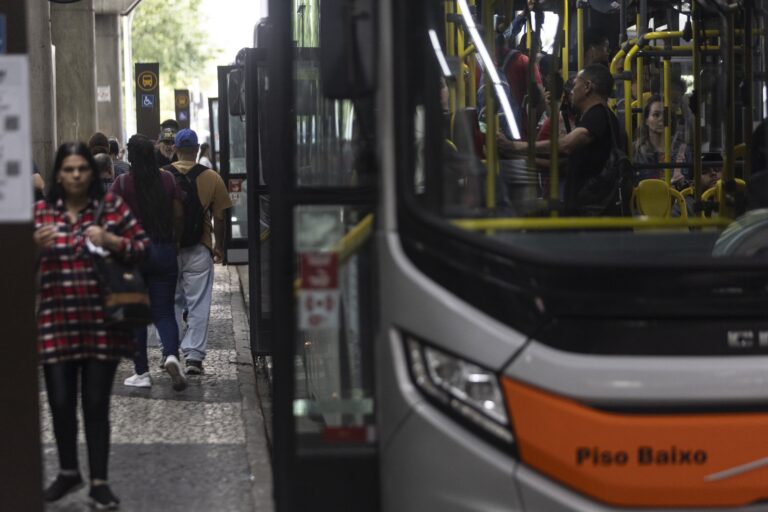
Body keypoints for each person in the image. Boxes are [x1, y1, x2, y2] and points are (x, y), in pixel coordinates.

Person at [34, 142, 149, 509]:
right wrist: (32, 246)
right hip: (55, 324)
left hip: (103, 325)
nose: (76, 175)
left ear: (90, 172)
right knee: (60, 401)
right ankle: (69, 471)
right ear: (58, 174)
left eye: (81, 169)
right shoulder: (41, 213)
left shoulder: (110, 208)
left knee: (96, 402)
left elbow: (143, 247)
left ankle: (100, 481)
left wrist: (111, 239)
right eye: (68, 169)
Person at [111, 134, 186, 391]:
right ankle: (171, 356)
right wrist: (175, 240)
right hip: (163, 249)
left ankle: (142, 372)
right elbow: (179, 214)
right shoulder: (168, 179)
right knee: (164, 311)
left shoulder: (122, 183)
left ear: (131, 157)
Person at [497, 64, 621, 214]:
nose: (571, 91)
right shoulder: (594, 117)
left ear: (587, 86)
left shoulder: (598, 115)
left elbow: (565, 145)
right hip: (584, 207)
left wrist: (513, 146)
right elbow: (562, 164)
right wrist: (513, 154)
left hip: (593, 213)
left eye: (575, 84)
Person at [167, 129, 232, 374]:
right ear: (196, 150)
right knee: (199, 302)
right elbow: (220, 216)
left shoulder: (163, 175)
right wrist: (219, 246)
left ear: (175, 149)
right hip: (199, 247)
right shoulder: (212, 177)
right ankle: (194, 357)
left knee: (171, 301)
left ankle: (169, 352)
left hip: (169, 248)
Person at [633, 95, 691, 185]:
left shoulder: (683, 150)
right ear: (646, 120)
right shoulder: (635, 150)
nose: (661, 119)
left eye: (666, 115)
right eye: (656, 115)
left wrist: (683, 183)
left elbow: (693, 182)